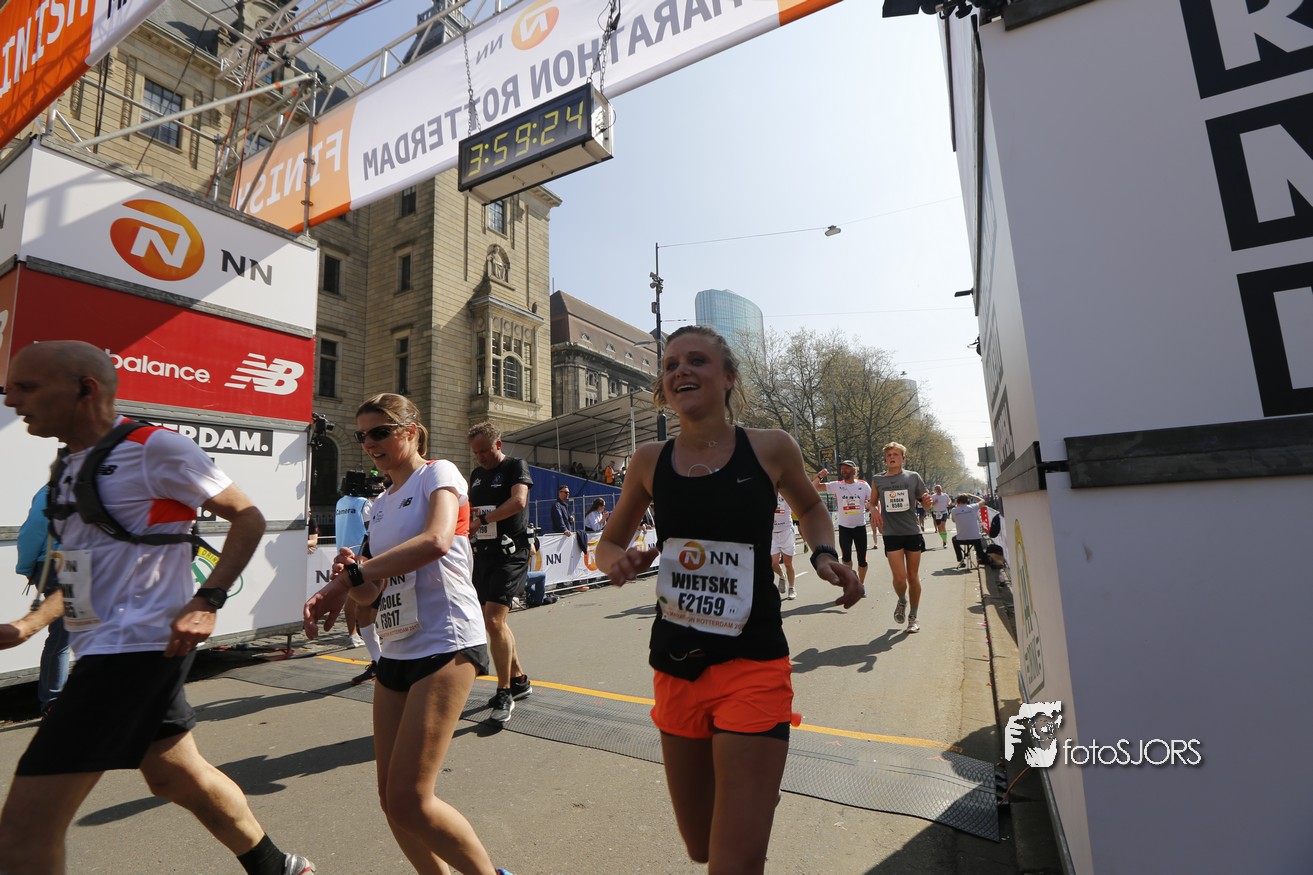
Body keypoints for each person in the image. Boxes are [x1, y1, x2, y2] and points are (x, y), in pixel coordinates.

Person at [0, 340, 314, 875]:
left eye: (27, 387)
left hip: (137, 650)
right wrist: (29, 624)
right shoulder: (68, 466)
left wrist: (208, 599)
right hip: (107, 647)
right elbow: (80, 567)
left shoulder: (155, 447)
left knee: (24, 832)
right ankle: (277, 867)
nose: (11, 401)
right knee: (173, 774)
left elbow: (247, 516)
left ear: (85, 389)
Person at [596, 325, 863, 875]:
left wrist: (822, 555)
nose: (680, 371)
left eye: (696, 360)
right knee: (701, 846)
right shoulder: (647, 460)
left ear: (729, 378)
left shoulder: (770, 447)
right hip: (676, 664)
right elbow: (608, 543)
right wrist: (617, 562)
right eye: (670, 365)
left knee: (734, 862)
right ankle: (752, 803)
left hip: (753, 662)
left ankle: (752, 798)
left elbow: (812, 508)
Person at [304, 393, 513, 875]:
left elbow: (436, 541)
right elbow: (372, 595)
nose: (369, 443)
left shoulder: (437, 474)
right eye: (362, 435)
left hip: (447, 640)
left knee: (410, 799)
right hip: (397, 647)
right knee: (390, 800)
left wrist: (352, 577)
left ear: (411, 431)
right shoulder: (378, 507)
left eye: (381, 432)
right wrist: (350, 579)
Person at [467, 421, 533, 725]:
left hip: (511, 552)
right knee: (493, 623)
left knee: (494, 620)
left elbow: (518, 501)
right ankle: (519, 679)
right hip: (484, 553)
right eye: (475, 452)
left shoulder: (515, 466)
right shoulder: (477, 474)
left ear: (498, 444)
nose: (480, 456)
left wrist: (483, 519)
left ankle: (504, 691)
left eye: (484, 450)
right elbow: (471, 510)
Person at [15, 487, 69, 715]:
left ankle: (53, 701)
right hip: (89, 565)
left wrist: (27, 567)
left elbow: (33, 530)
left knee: (62, 638)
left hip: (56, 563)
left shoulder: (52, 489)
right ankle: (56, 701)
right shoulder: (103, 482)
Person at [871, 442, 933, 634]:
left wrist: (928, 503)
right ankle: (902, 600)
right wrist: (874, 510)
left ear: (903, 458)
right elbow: (872, 503)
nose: (892, 457)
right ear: (885, 459)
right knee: (899, 578)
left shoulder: (913, 477)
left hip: (912, 531)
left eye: (895, 454)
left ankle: (913, 616)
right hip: (891, 533)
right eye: (889, 454)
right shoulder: (878, 479)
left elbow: (925, 504)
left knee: (913, 577)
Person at [336, 473, 381, 683]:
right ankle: (377, 658)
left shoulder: (340, 502)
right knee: (365, 603)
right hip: (361, 553)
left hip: (344, 553)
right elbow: (371, 527)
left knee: (353, 598)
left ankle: (353, 634)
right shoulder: (363, 502)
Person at [811, 460, 873, 585]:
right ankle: (851, 583)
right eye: (842, 468)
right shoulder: (837, 485)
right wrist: (820, 476)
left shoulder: (863, 485)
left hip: (860, 527)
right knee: (846, 559)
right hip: (845, 528)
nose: (843, 470)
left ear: (854, 471)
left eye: (847, 468)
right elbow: (813, 487)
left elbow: (873, 501)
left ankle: (861, 584)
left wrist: (873, 512)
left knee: (862, 560)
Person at [771, 493, 798, 600]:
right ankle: (782, 576)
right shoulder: (767, 491)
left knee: (788, 563)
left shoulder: (787, 493)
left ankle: (791, 588)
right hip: (772, 533)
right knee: (773, 563)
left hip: (786, 531)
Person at [951, 493, 988, 569]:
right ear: (967, 501)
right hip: (975, 539)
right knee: (977, 538)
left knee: (954, 539)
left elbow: (954, 520)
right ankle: (980, 556)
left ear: (958, 501)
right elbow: (983, 501)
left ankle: (960, 559)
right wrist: (972, 496)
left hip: (961, 539)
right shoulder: (973, 507)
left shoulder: (954, 510)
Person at [930, 485, 953, 549]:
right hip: (937, 513)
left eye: (939, 489)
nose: (938, 490)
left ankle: (944, 542)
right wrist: (935, 502)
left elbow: (949, 500)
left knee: (943, 525)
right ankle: (943, 538)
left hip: (944, 511)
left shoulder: (945, 495)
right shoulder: (933, 496)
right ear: (935, 490)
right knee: (939, 527)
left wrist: (949, 503)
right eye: (937, 489)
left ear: (941, 489)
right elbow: (931, 505)